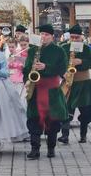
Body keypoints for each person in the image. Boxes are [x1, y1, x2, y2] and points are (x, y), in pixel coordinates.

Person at [23, 24, 68, 159]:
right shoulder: (32, 50)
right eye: (41, 34)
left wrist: (45, 67)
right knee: (33, 119)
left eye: (46, 35)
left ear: (52, 36)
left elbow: (62, 69)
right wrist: (26, 79)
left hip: (52, 90)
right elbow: (26, 68)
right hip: (35, 89)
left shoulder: (59, 51)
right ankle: (35, 149)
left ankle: (51, 148)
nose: (43, 37)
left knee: (52, 121)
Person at [58, 24, 91, 144]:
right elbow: (58, 63)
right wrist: (63, 73)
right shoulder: (63, 48)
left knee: (87, 112)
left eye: (77, 37)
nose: (74, 40)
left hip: (84, 84)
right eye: (72, 37)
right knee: (65, 110)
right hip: (68, 83)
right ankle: (64, 136)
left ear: (81, 37)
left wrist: (81, 61)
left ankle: (83, 135)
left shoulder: (87, 48)